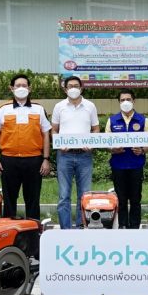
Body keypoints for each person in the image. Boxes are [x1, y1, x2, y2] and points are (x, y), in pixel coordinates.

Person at [0, 74, 52, 220]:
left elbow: (46, 135)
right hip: (9, 160)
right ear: (11, 88)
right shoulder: (4, 109)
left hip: (34, 160)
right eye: (18, 86)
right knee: (10, 198)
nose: (21, 88)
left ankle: (33, 230)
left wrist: (46, 159)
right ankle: (9, 231)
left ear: (29, 88)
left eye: (24, 85)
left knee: (33, 198)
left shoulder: (38, 109)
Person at [51, 76, 100, 229]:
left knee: (84, 194)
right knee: (64, 194)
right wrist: (59, 144)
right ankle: (66, 228)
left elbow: (96, 128)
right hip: (64, 155)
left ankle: (81, 225)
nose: (73, 88)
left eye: (76, 86)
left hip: (85, 155)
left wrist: (92, 144)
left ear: (81, 88)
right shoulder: (59, 106)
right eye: (70, 86)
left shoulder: (90, 106)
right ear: (65, 89)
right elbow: (54, 129)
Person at [106, 89, 148, 229]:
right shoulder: (112, 120)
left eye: (128, 99)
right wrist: (112, 149)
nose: (126, 102)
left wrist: (142, 150)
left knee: (136, 199)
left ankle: (135, 226)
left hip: (136, 165)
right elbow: (106, 142)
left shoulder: (143, 120)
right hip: (118, 166)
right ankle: (123, 225)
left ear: (133, 101)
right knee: (121, 199)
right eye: (122, 100)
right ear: (119, 102)